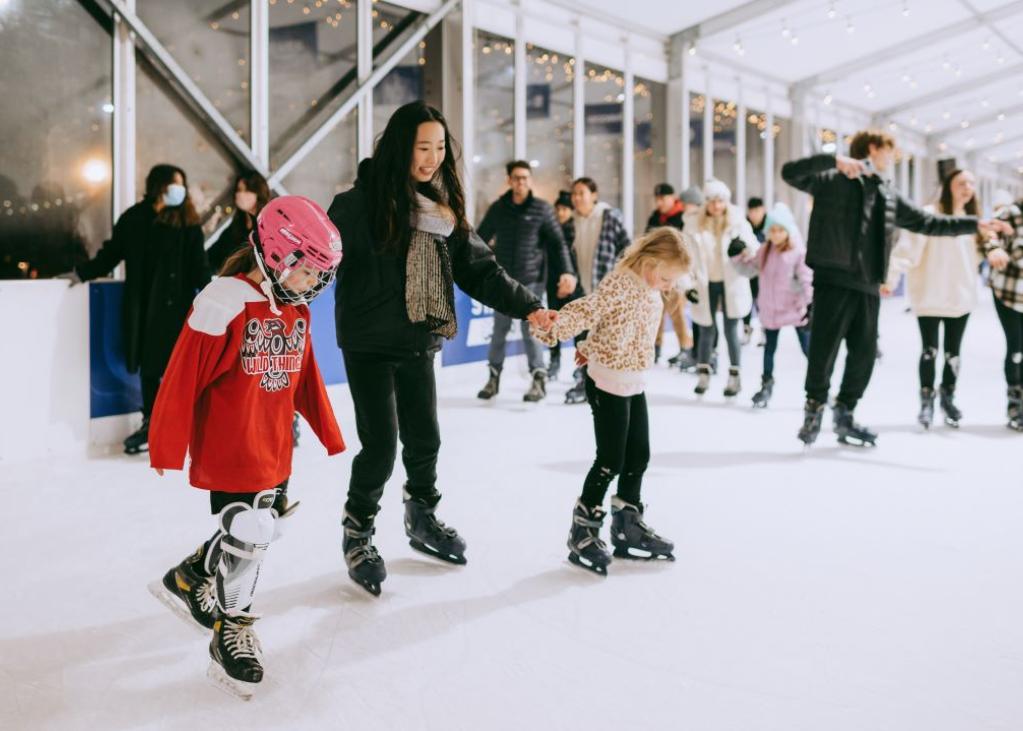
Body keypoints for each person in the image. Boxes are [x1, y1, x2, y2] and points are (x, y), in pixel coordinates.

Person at [326, 101, 556, 596]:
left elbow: (480, 270)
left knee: (425, 439)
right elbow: (320, 258)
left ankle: (422, 517)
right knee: (382, 445)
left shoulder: (442, 210)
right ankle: (358, 530)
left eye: (438, 148)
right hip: (367, 342)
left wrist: (530, 307)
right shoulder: (357, 204)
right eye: (420, 147)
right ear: (398, 148)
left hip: (416, 338)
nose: (430, 158)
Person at [147, 196, 346, 700]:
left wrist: (326, 430)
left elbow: (306, 377)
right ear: (280, 254)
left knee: (262, 526)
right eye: (308, 270)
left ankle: (190, 577)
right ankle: (229, 631)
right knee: (251, 530)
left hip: (274, 445)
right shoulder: (224, 300)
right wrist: (166, 442)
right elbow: (182, 375)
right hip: (230, 444)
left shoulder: (294, 307)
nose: (314, 284)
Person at [781, 130, 1010, 447]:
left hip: (868, 284)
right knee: (824, 350)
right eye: (890, 151)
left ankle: (845, 412)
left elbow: (926, 222)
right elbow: (789, 172)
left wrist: (973, 224)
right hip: (833, 279)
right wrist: (834, 160)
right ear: (874, 149)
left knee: (863, 355)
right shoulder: (830, 179)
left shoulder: (885, 192)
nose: (893, 158)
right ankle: (814, 408)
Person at [532, 227, 690, 575]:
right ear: (649, 262)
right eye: (665, 278)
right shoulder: (620, 283)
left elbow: (624, 327)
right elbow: (589, 312)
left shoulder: (651, 285)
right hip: (607, 381)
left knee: (639, 454)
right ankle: (583, 531)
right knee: (610, 460)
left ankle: (627, 524)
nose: (667, 286)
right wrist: (553, 327)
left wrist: (590, 347)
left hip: (633, 379)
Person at [58, 164, 210, 454]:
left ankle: (179, 424)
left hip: (176, 308)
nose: (179, 191)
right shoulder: (134, 219)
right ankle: (152, 423)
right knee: (150, 368)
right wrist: (81, 273)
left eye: (182, 185)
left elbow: (198, 268)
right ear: (157, 187)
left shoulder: (188, 223)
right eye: (173, 185)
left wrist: (215, 293)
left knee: (178, 368)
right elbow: (111, 254)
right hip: (143, 307)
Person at [880, 169, 987, 429]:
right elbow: (907, 250)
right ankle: (926, 401)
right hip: (930, 295)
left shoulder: (973, 221)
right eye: (962, 182)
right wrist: (891, 277)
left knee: (953, 354)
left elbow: (979, 256)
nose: (967, 188)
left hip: (961, 298)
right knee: (929, 351)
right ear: (949, 185)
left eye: (972, 183)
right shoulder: (929, 214)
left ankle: (948, 398)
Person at [475, 161, 577, 402]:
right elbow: (479, 239)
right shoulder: (498, 208)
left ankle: (538, 379)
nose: (521, 182)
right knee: (499, 331)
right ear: (509, 180)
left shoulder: (541, 209)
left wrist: (567, 272)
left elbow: (558, 243)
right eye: (517, 178)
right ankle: (493, 377)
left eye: (525, 178)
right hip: (503, 283)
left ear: (529, 180)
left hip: (531, 281)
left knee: (532, 331)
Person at [681, 179, 759, 397]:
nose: (717, 206)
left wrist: (745, 249)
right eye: (713, 201)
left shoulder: (737, 221)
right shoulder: (693, 224)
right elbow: (684, 259)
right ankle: (703, 374)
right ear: (706, 202)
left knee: (731, 329)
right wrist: (687, 286)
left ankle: (735, 376)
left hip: (732, 283)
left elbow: (754, 249)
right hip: (705, 284)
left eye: (721, 201)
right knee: (706, 329)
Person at [562, 176, 632, 404]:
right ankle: (584, 382)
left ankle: (605, 384)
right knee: (581, 339)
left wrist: (621, 282)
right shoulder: (571, 223)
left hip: (606, 290)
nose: (577, 198)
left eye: (582, 193)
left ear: (594, 195)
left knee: (604, 338)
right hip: (581, 290)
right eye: (574, 194)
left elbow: (627, 248)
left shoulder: (609, 217)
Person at [747, 203, 812, 408]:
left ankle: (819, 387)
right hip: (771, 310)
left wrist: (812, 303)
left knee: (808, 349)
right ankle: (766, 385)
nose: (775, 234)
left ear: (788, 231)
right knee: (769, 350)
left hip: (795, 309)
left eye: (780, 230)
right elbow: (750, 267)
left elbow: (807, 279)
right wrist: (736, 255)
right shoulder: (765, 250)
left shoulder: (798, 252)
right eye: (772, 230)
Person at [646, 183, 695, 370]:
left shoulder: (681, 217)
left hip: (675, 273)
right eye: (657, 199)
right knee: (655, 311)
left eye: (663, 199)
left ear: (671, 197)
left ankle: (685, 347)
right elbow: (647, 239)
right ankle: (655, 347)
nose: (660, 203)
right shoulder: (655, 217)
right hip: (655, 273)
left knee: (677, 312)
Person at [987, 197, 1023, 430]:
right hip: (1009, 294)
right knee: (1016, 346)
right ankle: (1015, 403)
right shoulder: (1010, 212)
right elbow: (989, 234)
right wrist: (996, 246)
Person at [545, 190, 581, 381]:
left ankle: (580, 366)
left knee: (577, 326)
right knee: (553, 325)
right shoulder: (551, 231)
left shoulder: (576, 232)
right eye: (558, 208)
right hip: (552, 283)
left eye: (565, 209)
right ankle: (554, 362)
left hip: (573, 284)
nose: (561, 212)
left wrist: (570, 280)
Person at [206, 170, 271, 273]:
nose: (240, 194)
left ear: (258, 193)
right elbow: (214, 255)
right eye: (238, 190)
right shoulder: (237, 224)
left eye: (246, 190)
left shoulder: (266, 227)